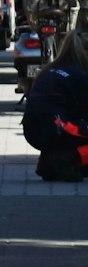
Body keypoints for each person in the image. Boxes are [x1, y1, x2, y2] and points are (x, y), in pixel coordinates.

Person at [23, 29, 88, 182]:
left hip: (33, 129)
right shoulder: (81, 77)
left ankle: (50, 161)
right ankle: (66, 160)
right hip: (56, 128)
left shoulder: (49, 70)